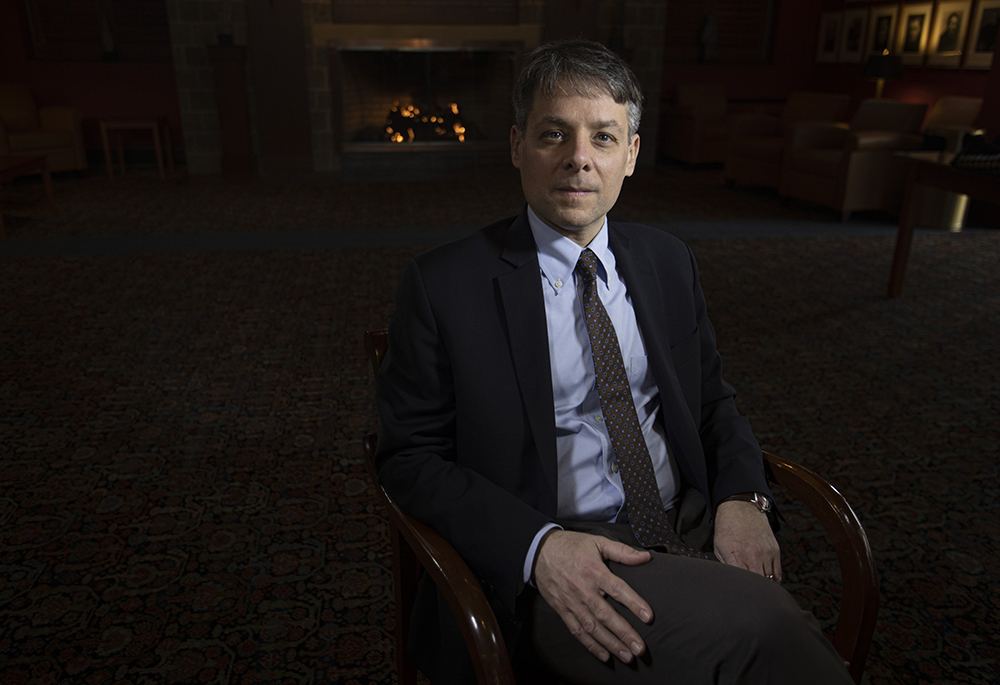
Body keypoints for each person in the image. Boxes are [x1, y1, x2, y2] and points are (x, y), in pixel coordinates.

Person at [375, 39, 854, 685]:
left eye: (603, 137)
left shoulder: (667, 260)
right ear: (518, 146)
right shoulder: (444, 285)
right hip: (559, 550)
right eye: (554, 134)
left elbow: (712, 398)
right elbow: (408, 457)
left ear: (630, 154)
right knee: (767, 632)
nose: (578, 159)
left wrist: (743, 495)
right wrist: (537, 545)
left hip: (685, 519)